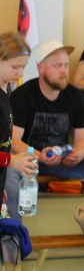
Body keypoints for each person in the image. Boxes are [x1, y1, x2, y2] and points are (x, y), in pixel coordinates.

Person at [6, 40, 84, 221]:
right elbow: (13, 140)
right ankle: (13, 232)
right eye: (57, 66)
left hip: (61, 159)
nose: (64, 71)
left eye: (66, 65)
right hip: (29, 158)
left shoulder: (75, 96)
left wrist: (77, 154)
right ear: (41, 68)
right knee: (9, 170)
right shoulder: (22, 96)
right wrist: (39, 156)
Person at [0, 32, 37, 208]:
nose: (20, 73)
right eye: (15, 67)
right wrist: (11, 161)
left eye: (24, 67)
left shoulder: (7, 90)